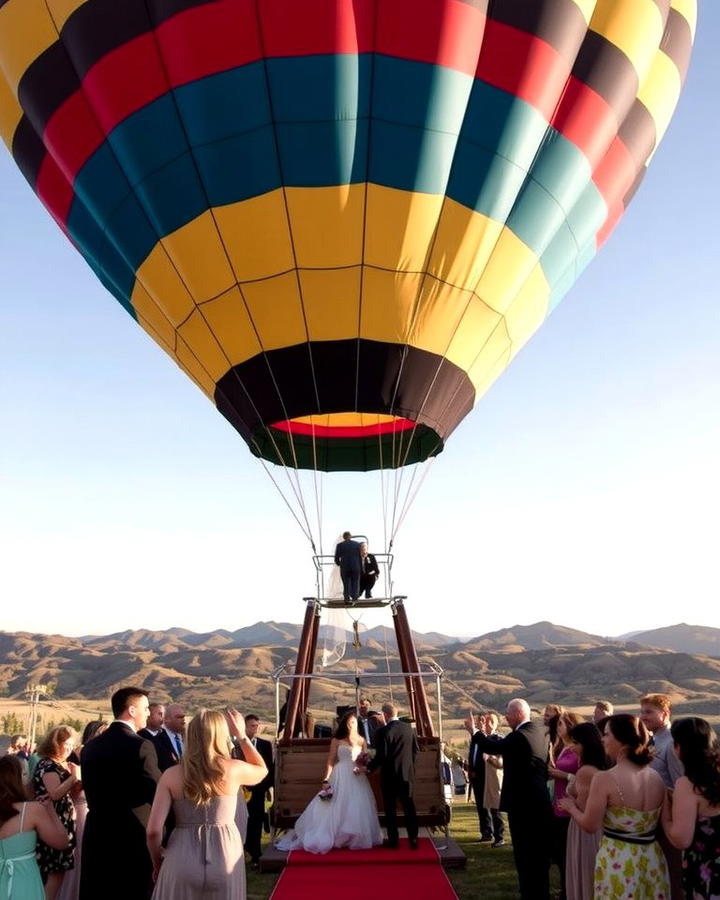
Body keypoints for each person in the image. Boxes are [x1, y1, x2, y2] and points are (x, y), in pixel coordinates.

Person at [147, 708, 267, 899]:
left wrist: (157, 862)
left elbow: (153, 831)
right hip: (225, 855)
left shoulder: (171, 775)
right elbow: (262, 770)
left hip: (181, 856)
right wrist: (242, 736)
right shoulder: (233, 770)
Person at [561, 713, 670, 898]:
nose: (602, 739)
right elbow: (665, 826)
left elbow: (589, 825)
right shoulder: (656, 778)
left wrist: (571, 807)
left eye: (606, 734)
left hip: (618, 859)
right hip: (652, 859)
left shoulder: (604, 778)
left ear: (621, 740)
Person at [80, 687, 161, 900]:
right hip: (132, 836)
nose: (148, 713)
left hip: (96, 833)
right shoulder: (141, 746)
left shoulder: (90, 747)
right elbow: (157, 792)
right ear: (132, 710)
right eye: (145, 708)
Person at [472, 698, 553, 899]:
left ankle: (530, 893)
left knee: (525, 854)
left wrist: (474, 731)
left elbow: (492, 747)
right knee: (538, 855)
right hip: (538, 800)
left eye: (508, 714)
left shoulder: (519, 736)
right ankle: (540, 891)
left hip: (523, 803)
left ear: (517, 714)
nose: (505, 717)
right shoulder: (540, 730)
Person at [276, 711, 382, 854]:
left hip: (357, 776)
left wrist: (362, 767)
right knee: (333, 804)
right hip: (341, 774)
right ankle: (335, 835)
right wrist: (326, 779)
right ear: (345, 724)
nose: (351, 725)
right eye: (349, 723)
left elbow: (365, 759)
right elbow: (331, 761)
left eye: (354, 722)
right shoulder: (337, 740)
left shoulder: (362, 740)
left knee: (356, 805)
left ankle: (352, 836)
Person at [661, 717, 720, 899]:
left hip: (709, 873)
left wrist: (665, 813)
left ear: (680, 748)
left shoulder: (688, 784)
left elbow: (681, 839)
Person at [0, 755, 69, 900]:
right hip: (25, 883)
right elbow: (62, 842)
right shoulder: (31, 810)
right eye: (25, 773)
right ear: (16, 779)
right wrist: (50, 809)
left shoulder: (30, 809)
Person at [640, 693, 684, 898]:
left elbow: (679, 785)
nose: (643, 717)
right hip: (653, 819)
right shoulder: (654, 740)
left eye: (649, 712)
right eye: (641, 712)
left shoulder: (671, 744)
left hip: (669, 821)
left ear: (665, 713)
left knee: (671, 873)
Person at [56, 722, 107, 900]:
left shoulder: (101, 756)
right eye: (102, 732)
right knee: (78, 856)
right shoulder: (79, 756)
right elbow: (73, 789)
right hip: (78, 812)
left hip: (91, 811)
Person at [32, 726, 79, 900]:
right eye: (66, 744)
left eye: (71, 745)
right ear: (55, 743)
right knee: (54, 874)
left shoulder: (60, 764)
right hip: (52, 823)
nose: (69, 749)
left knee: (58, 874)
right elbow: (54, 793)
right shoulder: (48, 764)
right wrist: (74, 777)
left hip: (62, 822)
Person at [564, 722, 607, 900]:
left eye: (575, 743)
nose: (571, 747)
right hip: (601, 830)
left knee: (585, 875)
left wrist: (570, 806)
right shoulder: (603, 765)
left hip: (585, 832)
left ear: (586, 744)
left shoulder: (586, 772)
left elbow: (583, 808)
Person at [368, 702, 419, 850]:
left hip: (389, 776)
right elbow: (416, 751)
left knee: (390, 809)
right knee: (409, 806)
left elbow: (381, 756)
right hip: (406, 775)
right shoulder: (409, 729)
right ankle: (413, 838)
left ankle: (394, 840)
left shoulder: (383, 732)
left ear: (385, 715)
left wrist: (368, 768)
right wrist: (410, 768)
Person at [548, 711, 583, 900]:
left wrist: (563, 775)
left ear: (570, 726)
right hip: (558, 804)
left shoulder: (576, 749)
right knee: (561, 855)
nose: (558, 727)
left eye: (561, 724)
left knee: (568, 855)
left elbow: (583, 776)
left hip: (571, 807)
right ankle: (565, 890)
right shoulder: (560, 746)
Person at [238, 715, 273, 869]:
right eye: (252, 725)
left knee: (256, 821)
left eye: (257, 725)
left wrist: (266, 788)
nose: (255, 728)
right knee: (242, 821)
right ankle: (242, 851)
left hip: (258, 790)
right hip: (241, 790)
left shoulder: (265, 745)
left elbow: (269, 769)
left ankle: (256, 854)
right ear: (245, 727)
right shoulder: (236, 745)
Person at [481, 712, 505, 847]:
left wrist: (490, 758)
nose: (487, 725)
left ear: (495, 724)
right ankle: (490, 833)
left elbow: (501, 763)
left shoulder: (499, 740)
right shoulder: (486, 739)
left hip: (496, 779)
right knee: (490, 808)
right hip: (487, 779)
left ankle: (500, 837)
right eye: (485, 722)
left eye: (490, 722)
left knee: (497, 809)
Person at [468, 712, 492, 842]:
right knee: (480, 806)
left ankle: (489, 831)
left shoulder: (488, 738)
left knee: (487, 805)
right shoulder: (475, 739)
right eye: (479, 720)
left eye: (483, 720)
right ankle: (484, 832)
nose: (480, 723)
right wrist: (470, 769)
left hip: (486, 777)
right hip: (475, 777)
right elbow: (472, 756)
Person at [153, 704, 186, 772]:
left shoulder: (188, 738)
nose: (183, 719)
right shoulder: (157, 741)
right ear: (166, 719)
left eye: (183, 716)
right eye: (179, 717)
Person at [334, 532, 362, 602]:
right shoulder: (357, 544)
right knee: (355, 582)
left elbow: (336, 558)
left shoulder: (339, 545)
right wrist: (360, 566)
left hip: (345, 567)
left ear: (344, 537)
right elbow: (361, 556)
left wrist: (339, 564)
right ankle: (355, 598)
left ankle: (346, 598)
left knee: (346, 583)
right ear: (350, 536)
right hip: (355, 566)